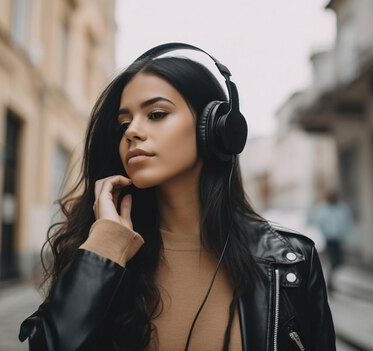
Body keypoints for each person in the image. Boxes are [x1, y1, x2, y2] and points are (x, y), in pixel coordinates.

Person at [18, 43, 335, 351]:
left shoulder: (290, 261)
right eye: (124, 123)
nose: (132, 132)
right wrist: (104, 248)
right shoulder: (100, 252)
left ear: (215, 128)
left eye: (156, 114)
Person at [310, 190, 353, 293]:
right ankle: (329, 281)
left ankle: (330, 278)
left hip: (339, 238)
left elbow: (347, 221)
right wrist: (325, 233)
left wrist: (343, 233)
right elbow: (319, 222)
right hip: (329, 239)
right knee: (334, 260)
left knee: (339, 261)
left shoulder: (342, 208)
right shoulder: (323, 209)